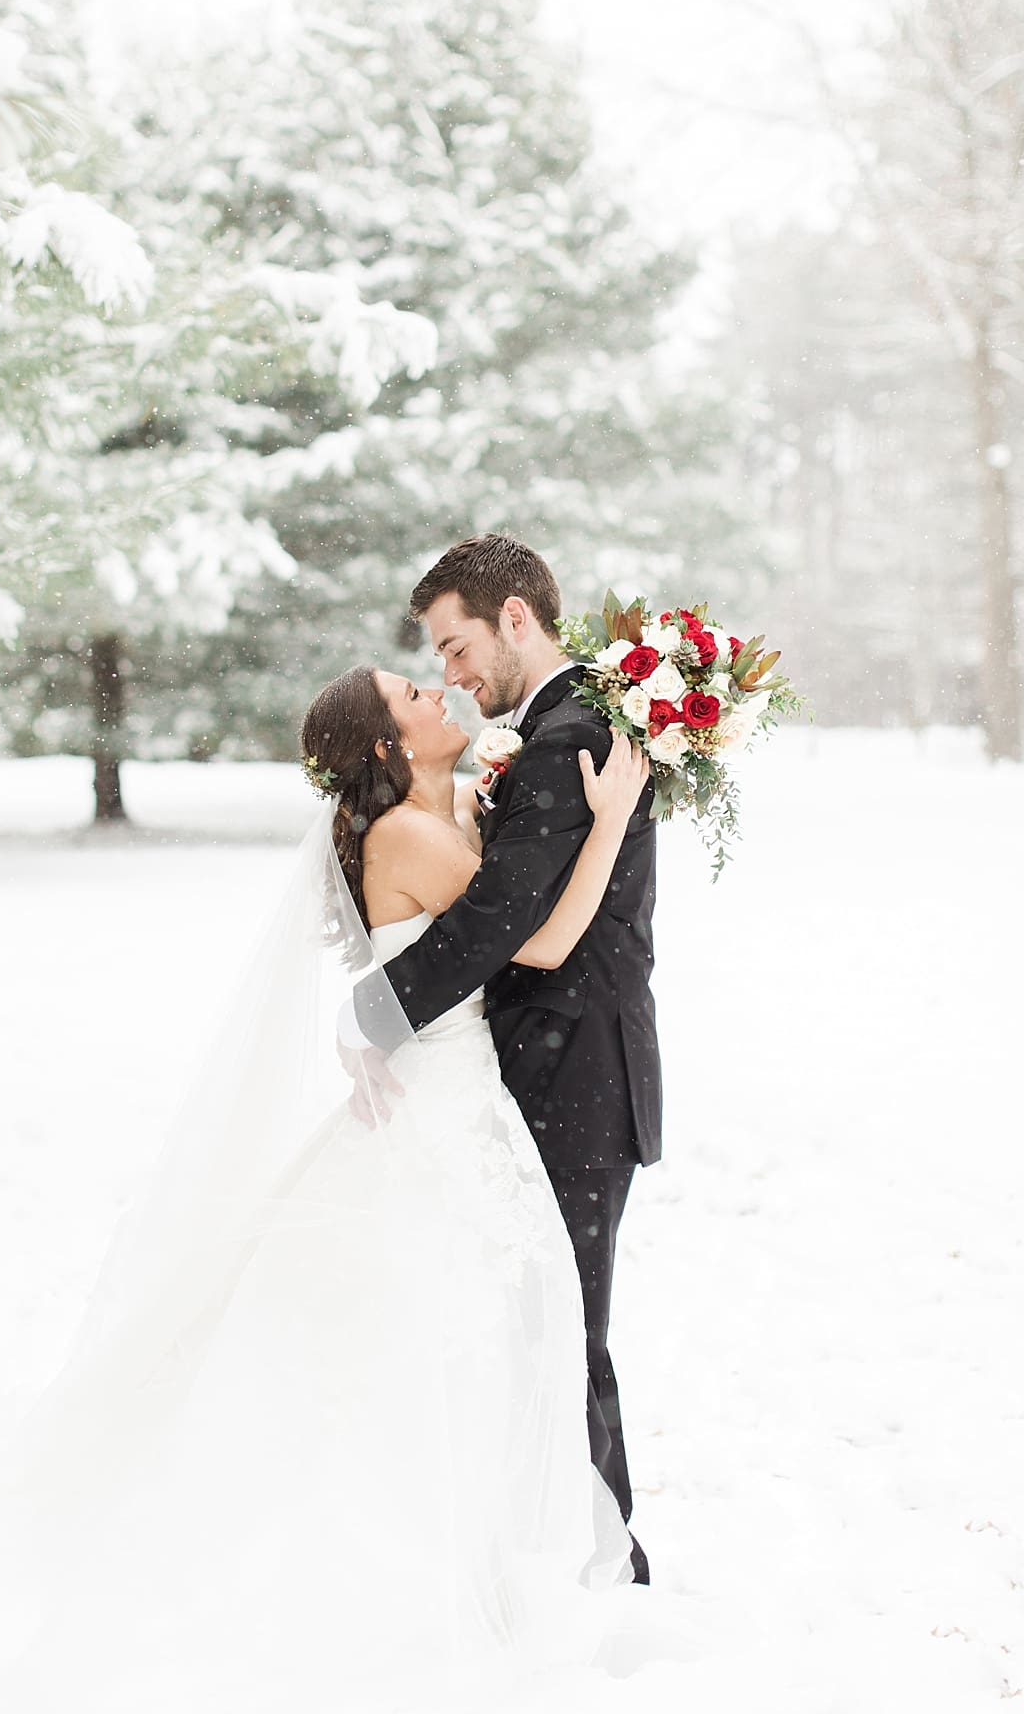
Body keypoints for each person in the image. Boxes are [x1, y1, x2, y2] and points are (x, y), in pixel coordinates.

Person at [0, 659, 675, 1714]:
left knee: (466, 1338)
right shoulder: (409, 834)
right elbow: (535, 938)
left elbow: (434, 948)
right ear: (388, 749)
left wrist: (374, 1008)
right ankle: (403, 1578)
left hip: (450, 1099)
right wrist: (617, 816)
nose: (435, 694)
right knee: (428, 1340)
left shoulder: (436, 815)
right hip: (438, 1119)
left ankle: (475, 1566)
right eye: (411, 693)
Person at [350, 533, 661, 1585]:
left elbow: (499, 927)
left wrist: (373, 1011)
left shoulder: (570, 736)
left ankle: (606, 1563)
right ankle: (567, 1553)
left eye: (454, 644)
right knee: (538, 1326)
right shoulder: (555, 731)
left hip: (577, 1076)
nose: (451, 671)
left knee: (567, 1329)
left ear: (514, 619)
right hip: (533, 1075)